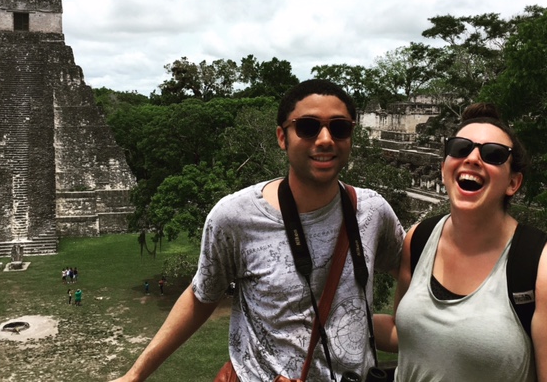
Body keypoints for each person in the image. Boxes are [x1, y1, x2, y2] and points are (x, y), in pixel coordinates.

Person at [111, 79, 404, 382]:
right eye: (307, 127)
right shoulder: (236, 217)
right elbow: (201, 296)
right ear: (282, 137)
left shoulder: (372, 211)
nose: (326, 139)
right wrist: (135, 374)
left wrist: (408, 327)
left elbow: (408, 270)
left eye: (339, 127)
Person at [377, 103, 547, 381]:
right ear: (445, 166)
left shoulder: (538, 265)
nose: (472, 158)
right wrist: (332, 316)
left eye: (493, 154)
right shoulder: (418, 238)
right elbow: (403, 331)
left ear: (513, 183)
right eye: (460, 148)